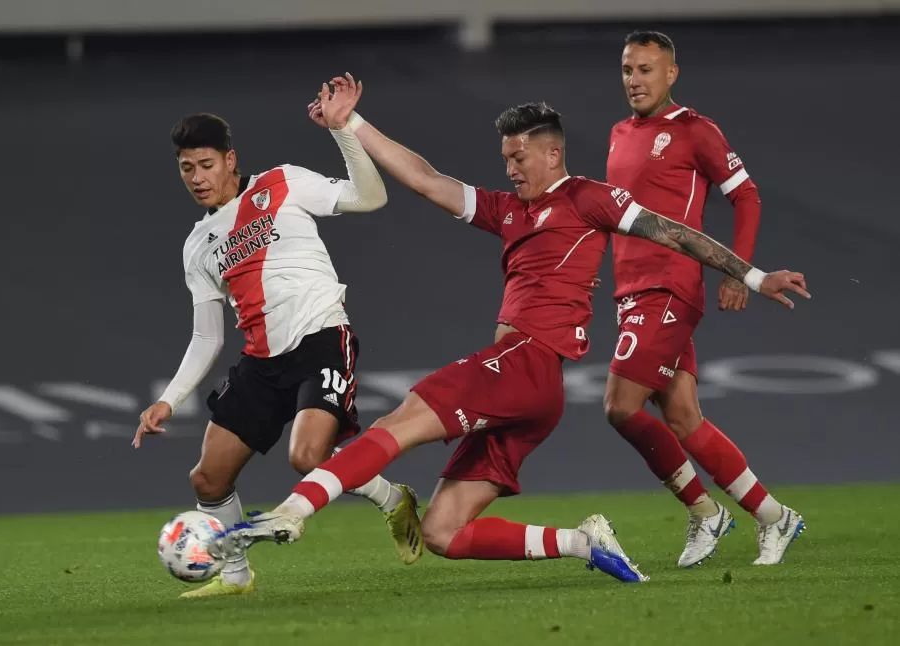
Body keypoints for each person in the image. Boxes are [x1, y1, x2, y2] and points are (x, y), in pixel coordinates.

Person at [208, 74, 809, 584]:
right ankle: (583, 543)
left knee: (400, 423)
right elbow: (423, 178)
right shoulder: (508, 211)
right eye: (505, 160)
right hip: (529, 392)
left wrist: (754, 278)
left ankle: (292, 511)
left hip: (526, 362)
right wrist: (352, 124)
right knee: (444, 532)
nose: (511, 168)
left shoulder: (589, 198)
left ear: (552, 153)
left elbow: (677, 232)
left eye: (519, 158)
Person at [133, 112, 423, 599]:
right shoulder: (197, 247)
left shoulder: (282, 183)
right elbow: (207, 336)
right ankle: (235, 577)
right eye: (187, 169)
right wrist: (169, 400)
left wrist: (341, 128)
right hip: (262, 361)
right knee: (207, 478)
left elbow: (371, 196)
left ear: (230, 160)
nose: (198, 178)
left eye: (206, 164)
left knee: (308, 456)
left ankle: (393, 498)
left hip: (323, 337)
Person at [604, 30, 805, 567]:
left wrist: (740, 272)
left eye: (647, 69)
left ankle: (704, 512)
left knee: (620, 408)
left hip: (670, 287)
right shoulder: (619, 132)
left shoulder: (695, 130)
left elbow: (746, 195)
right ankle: (775, 517)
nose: (635, 80)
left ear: (672, 74)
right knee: (684, 418)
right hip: (631, 291)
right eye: (628, 69)